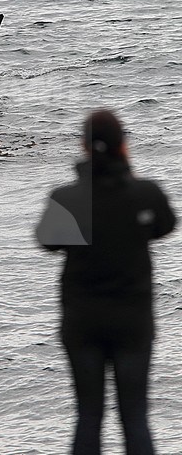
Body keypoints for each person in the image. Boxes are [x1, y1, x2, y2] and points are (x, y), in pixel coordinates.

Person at [36, 109, 176, 455]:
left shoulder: (69, 199)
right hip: (133, 323)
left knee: (88, 416)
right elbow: (165, 226)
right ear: (123, 145)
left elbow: (46, 240)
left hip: (83, 323)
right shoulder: (145, 194)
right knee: (135, 417)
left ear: (83, 147)